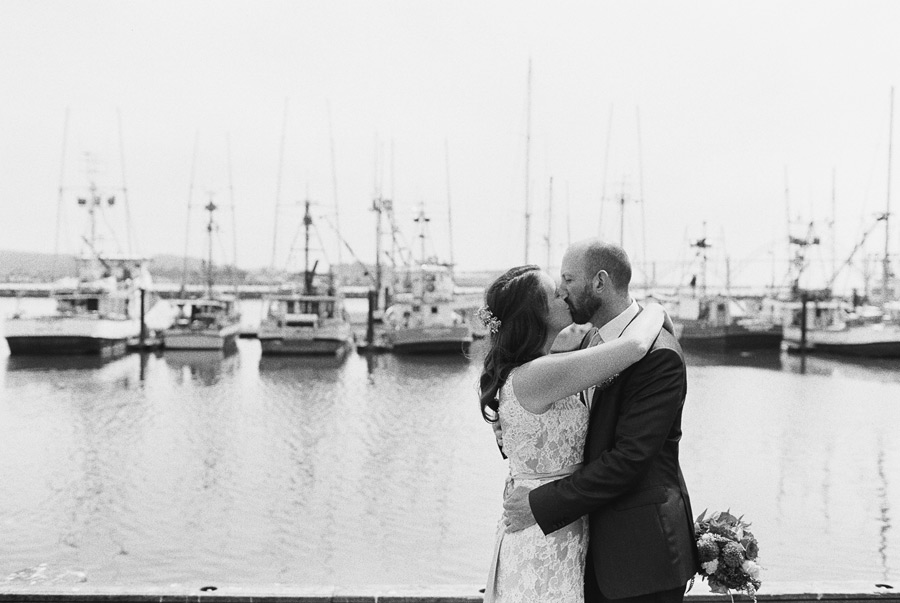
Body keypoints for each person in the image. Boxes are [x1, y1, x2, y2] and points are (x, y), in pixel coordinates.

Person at [503, 239, 699, 603]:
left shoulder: (659, 357)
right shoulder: (593, 340)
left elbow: (629, 461)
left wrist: (540, 503)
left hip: (640, 555)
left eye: (568, 278)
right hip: (585, 549)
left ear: (600, 282)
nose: (561, 289)